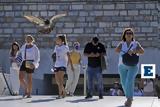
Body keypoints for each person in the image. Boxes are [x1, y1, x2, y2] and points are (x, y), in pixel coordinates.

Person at [115, 28, 144, 107]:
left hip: (133, 65)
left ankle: (129, 99)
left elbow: (142, 51)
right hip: (122, 65)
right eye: (127, 33)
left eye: (130, 33)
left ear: (132, 35)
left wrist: (134, 50)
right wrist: (122, 49)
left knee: (129, 80)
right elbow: (116, 50)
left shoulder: (136, 43)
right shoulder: (122, 43)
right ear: (124, 35)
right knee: (123, 82)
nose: (129, 34)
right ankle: (128, 97)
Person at [53, 34, 74, 99]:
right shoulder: (56, 47)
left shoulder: (65, 47)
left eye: (57, 39)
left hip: (63, 64)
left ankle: (60, 94)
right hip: (56, 64)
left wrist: (71, 65)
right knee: (57, 81)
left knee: (60, 79)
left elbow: (69, 56)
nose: (56, 40)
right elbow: (54, 55)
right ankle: (64, 91)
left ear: (61, 40)